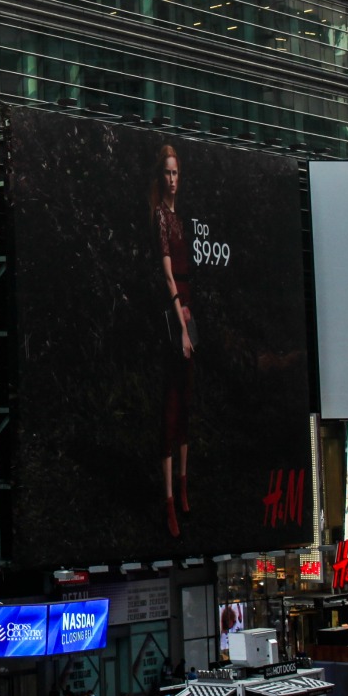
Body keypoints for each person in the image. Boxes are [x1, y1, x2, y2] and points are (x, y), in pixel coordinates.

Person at [153, 144, 197, 537]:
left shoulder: (179, 219)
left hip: (187, 311)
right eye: (167, 173)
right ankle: (168, 498)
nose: (172, 179)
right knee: (170, 405)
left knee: (186, 402)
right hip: (173, 314)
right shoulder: (161, 218)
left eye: (176, 173)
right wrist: (181, 323)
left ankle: (183, 487)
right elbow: (167, 276)